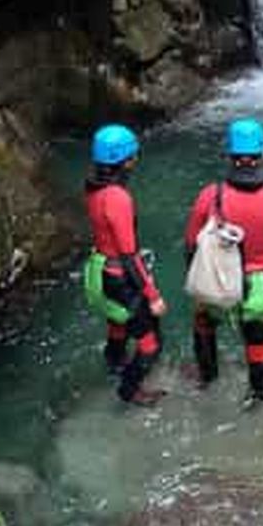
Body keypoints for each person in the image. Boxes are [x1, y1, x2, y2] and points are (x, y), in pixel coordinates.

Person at [183, 117, 263, 403]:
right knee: (259, 346)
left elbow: (190, 246)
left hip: (217, 280)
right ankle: (258, 397)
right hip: (259, 286)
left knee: (203, 325)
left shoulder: (209, 196)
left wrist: (195, 287)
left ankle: (207, 379)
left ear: (229, 155)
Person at [85, 123, 168, 406]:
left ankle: (115, 363)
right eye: (134, 156)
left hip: (99, 267)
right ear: (126, 160)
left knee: (116, 323)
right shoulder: (118, 198)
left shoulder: (93, 189)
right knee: (150, 344)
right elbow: (129, 254)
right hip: (118, 276)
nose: (136, 161)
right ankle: (129, 390)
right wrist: (152, 296)